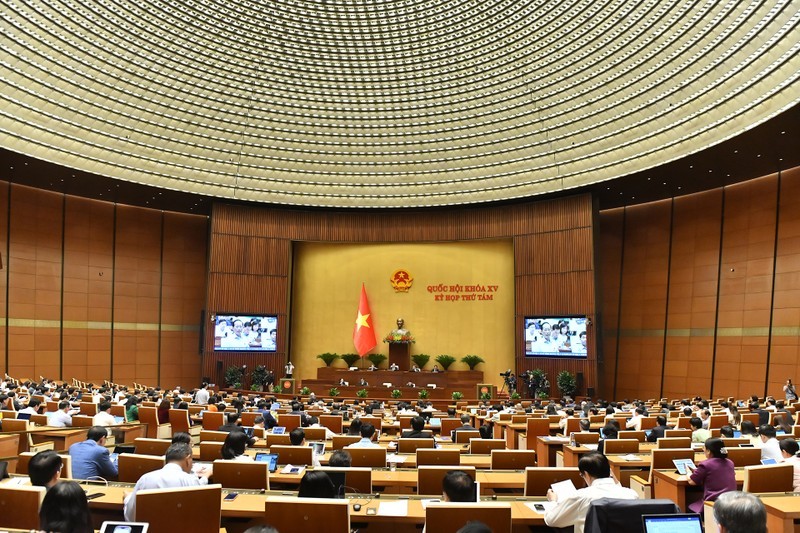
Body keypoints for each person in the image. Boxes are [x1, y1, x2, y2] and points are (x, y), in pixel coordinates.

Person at [544, 452, 637, 533]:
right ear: (610, 472)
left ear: (587, 474)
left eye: (582, 475)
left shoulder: (581, 496)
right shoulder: (632, 495)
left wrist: (553, 501)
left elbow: (551, 520)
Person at [123, 442, 211, 520]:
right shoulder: (191, 480)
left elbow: (131, 516)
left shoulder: (145, 479)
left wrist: (127, 498)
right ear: (188, 459)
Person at [686, 437, 736, 514]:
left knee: (688, 506)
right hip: (731, 501)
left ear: (709, 451)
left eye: (704, 447)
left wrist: (688, 472)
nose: (703, 449)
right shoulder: (730, 462)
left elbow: (692, 481)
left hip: (713, 503)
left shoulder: (705, 464)